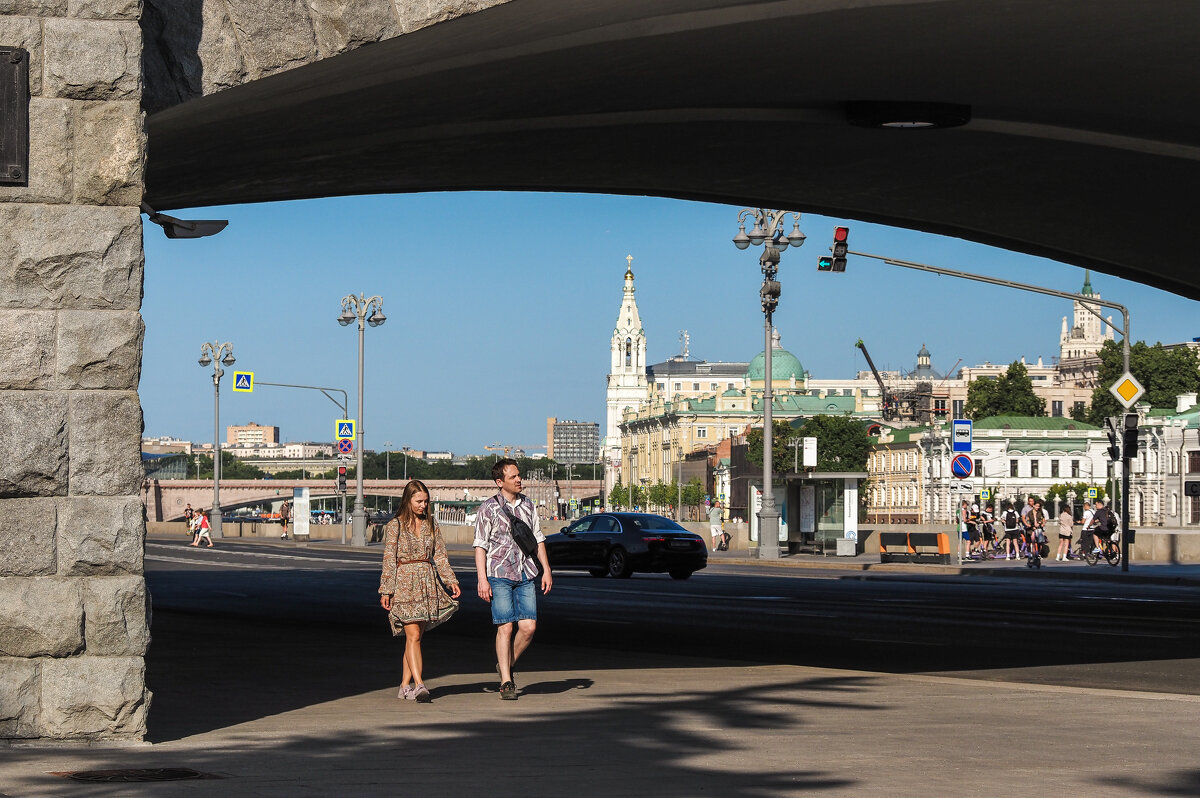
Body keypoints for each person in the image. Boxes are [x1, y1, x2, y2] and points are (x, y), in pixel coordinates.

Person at [474, 458, 553, 700]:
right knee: (505, 626)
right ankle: (507, 681)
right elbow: (480, 545)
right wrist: (482, 579)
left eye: (519, 475)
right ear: (500, 482)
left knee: (528, 628)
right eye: (513, 477)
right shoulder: (488, 508)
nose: (519, 479)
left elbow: (538, 539)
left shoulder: (528, 506)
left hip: (526, 572)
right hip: (498, 574)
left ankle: (506, 664)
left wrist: (547, 569)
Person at [379, 480, 461, 703]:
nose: (423, 505)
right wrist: (386, 590)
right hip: (404, 584)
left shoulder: (432, 524)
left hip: (427, 582)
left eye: (426, 501)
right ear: (408, 500)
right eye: (419, 501)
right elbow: (389, 560)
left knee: (414, 638)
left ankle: (404, 686)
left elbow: (441, 556)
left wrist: (450, 580)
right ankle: (420, 684)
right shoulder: (395, 526)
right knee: (413, 635)